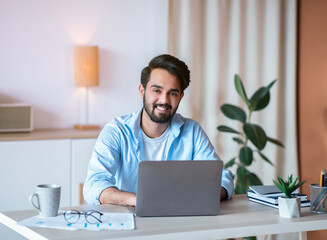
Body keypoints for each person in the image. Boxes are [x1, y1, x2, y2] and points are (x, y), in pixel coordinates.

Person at [83, 54, 234, 206]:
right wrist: (142, 201)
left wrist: (197, 196)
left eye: (172, 93)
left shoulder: (192, 131)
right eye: (157, 91)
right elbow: (94, 186)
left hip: (180, 220)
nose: (164, 100)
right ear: (142, 90)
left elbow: (222, 179)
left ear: (180, 97)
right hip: (130, 219)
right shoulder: (116, 131)